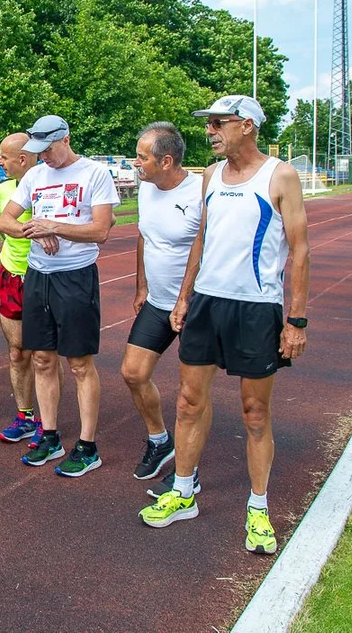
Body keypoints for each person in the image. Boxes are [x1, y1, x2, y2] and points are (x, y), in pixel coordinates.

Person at [138, 95, 311, 557]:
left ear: (248, 126)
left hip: (256, 309)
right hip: (207, 305)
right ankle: (183, 491)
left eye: (220, 123)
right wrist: (184, 296)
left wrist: (296, 320)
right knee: (189, 400)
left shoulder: (281, 176)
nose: (210, 131)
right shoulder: (210, 176)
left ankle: (257, 508)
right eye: (208, 124)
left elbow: (300, 249)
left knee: (254, 412)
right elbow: (203, 237)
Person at [0, 115, 119, 477]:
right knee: (41, 360)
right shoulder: (34, 176)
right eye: (38, 151)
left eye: (48, 149)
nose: (43, 157)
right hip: (38, 277)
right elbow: (4, 222)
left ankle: (87, 445)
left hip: (76, 277)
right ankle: (49, 435)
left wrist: (55, 226)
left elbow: (100, 231)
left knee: (80, 364)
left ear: (66, 139)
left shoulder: (94, 174)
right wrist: (31, 230)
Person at [119, 124, 205, 497]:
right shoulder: (146, 188)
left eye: (142, 157)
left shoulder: (201, 191)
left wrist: (185, 298)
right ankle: (160, 440)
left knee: (192, 394)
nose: (136, 163)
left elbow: (205, 248)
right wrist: (142, 285)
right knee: (133, 373)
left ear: (166, 160)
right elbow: (144, 235)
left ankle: (190, 470)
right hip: (158, 302)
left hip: (197, 304)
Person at [0, 133, 43, 446]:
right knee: (17, 351)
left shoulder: (48, 184)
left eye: (4, 157)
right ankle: (24, 415)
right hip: (11, 274)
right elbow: (4, 229)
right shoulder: (3, 189)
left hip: (43, 277)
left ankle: (46, 422)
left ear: (22, 159)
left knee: (44, 355)